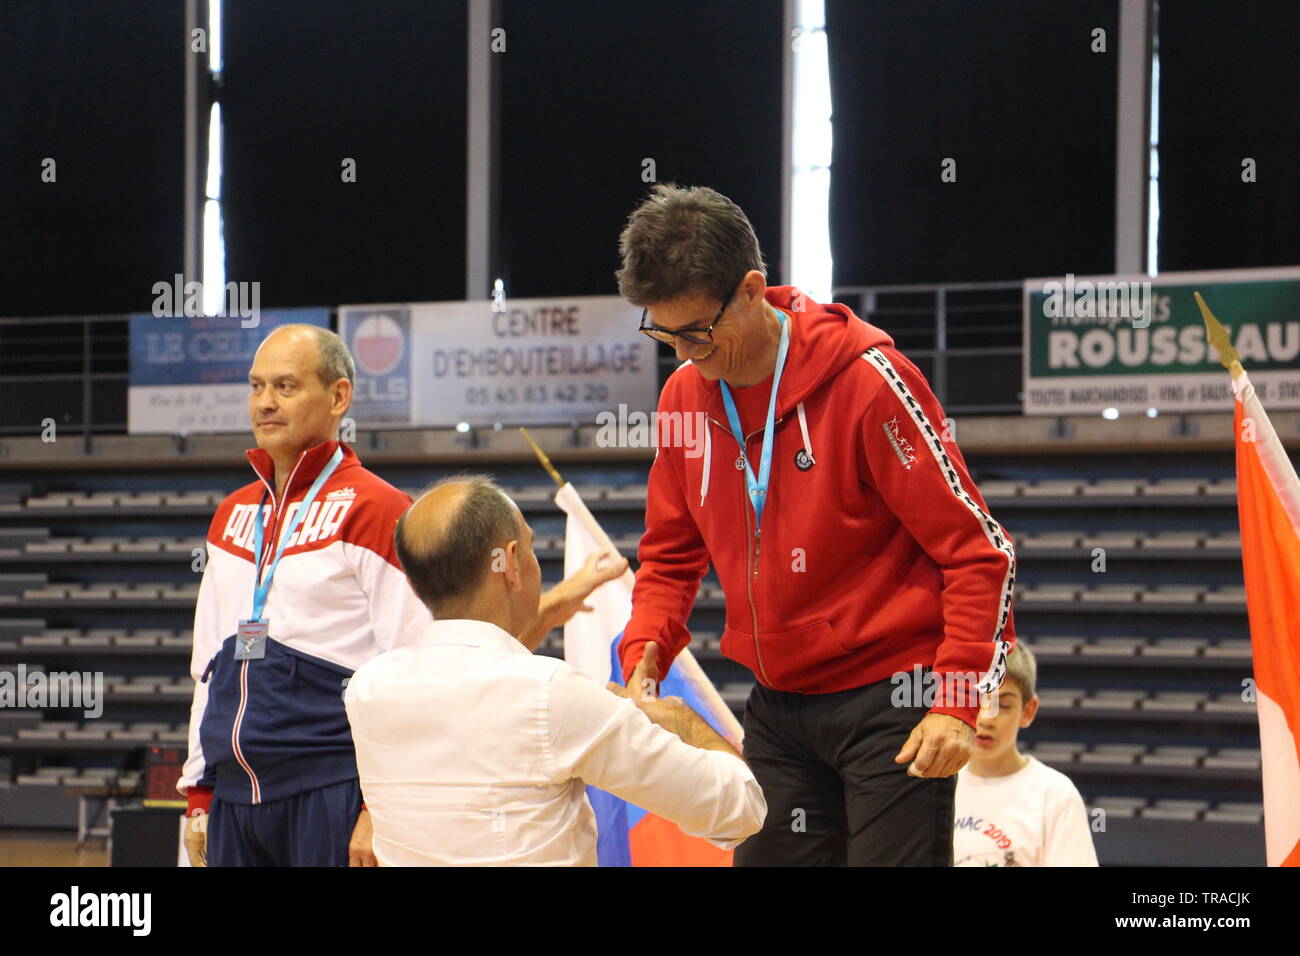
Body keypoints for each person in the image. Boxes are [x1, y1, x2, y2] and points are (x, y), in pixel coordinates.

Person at [614, 184, 1018, 866]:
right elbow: (671, 553)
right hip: (778, 704)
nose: (683, 353)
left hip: (893, 699)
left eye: (695, 332)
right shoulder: (684, 397)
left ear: (750, 289)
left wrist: (955, 700)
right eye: (663, 333)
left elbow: (981, 554)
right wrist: (645, 645)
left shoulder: (868, 381)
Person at [179, 324, 622, 867]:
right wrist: (198, 794)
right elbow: (208, 668)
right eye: (256, 386)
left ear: (339, 396)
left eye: (286, 387)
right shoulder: (231, 515)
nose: (265, 403)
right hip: (232, 801)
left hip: (331, 791)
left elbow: (423, 673)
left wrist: (377, 808)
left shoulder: (381, 511)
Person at [342, 476, 766, 865]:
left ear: (416, 582)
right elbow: (740, 808)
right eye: (528, 547)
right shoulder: (552, 694)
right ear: (508, 562)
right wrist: (683, 721)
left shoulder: (368, 689)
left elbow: (472, 676)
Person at [953, 645, 1099, 866]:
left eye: (1002, 705)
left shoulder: (1055, 795)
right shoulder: (937, 785)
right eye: (976, 701)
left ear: (1028, 711)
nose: (986, 719)